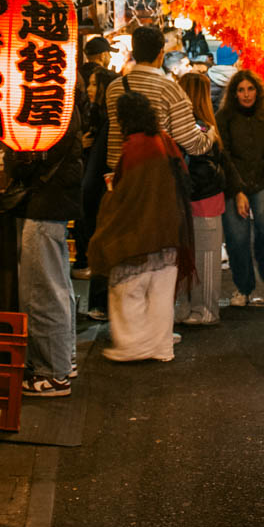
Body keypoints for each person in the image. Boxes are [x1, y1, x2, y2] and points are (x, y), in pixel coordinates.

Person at [89, 92, 194, 363]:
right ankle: (161, 346)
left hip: (140, 232)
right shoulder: (163, 139)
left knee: (128, 288)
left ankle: (133, 345)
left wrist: (111, 194)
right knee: (161, 293)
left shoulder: (133, 147)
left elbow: (128, 194)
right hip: (170, 228)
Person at [2, 105, 83, 397]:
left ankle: (52, 373)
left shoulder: (51, 99)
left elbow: (33, 154)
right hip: (52, 201)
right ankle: (63, 359)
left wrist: (14, 160)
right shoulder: (64, 92)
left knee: (42, 289)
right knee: (55, 284)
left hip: (45, 202)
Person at [216, 69, 264, 306]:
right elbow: (223, 155)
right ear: (234, 93)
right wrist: (237, 190)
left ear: (258, 91)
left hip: (262, 180)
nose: (246, 94)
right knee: (237, 238)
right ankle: (243, 287)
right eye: (241, 90)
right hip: (232, 183)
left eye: (250, 89)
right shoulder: (225, 116)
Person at [105, 24, 213, 170]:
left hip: (120, 173)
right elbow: (194, 145)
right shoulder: (170, 90)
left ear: (134, 52)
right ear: (161, 54)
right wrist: (211, 134)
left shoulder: (114, 88)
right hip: (155, 176)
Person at [175, 71, 232, 326]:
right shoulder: (206, 127)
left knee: (193, 258)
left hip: (190, 201)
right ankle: (203, 310)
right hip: (206, 200)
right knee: (203, 259)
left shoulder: (188, 128)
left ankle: (196, 309)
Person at [72, 35, 117, 322]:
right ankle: (100, 303)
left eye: (93, 85)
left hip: (100, 187)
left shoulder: (105, 121)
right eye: (88, 84)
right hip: (92, 186)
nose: (88, 88)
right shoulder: (92, 113)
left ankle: (101, 303)